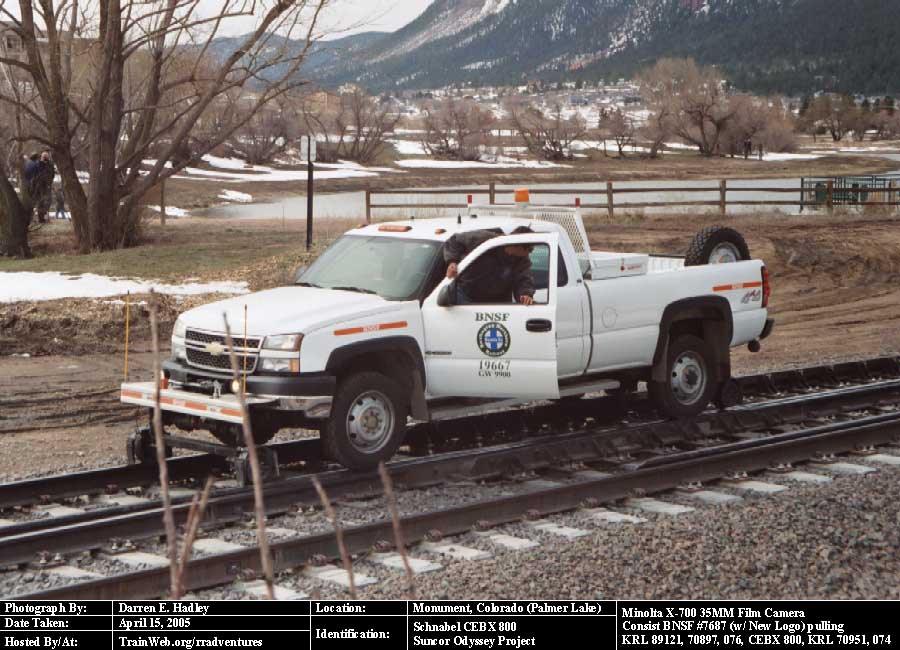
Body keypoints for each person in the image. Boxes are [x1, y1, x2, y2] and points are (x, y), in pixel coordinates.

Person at [443, 225, 536, 305]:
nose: (530, 253)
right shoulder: (485, 239)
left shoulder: (522, 261)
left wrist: (525, 294)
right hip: (465, 296)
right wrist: (452, 262)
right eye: (530, 250)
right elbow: (454, 240)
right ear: (518, 245)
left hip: (495, 304)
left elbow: (524, 279)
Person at [31, 150, 55, 223]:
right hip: (39, 185)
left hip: (47, 185)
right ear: (41, 157)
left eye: (46, 156)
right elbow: (34, 175)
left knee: (48, 201)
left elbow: (52, 174)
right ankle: (41, 218)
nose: (45, 157)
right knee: (40, 202)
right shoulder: (38, 164)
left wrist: (50, 181)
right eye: (44, 156)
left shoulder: (50, 164)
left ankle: (44, 217)